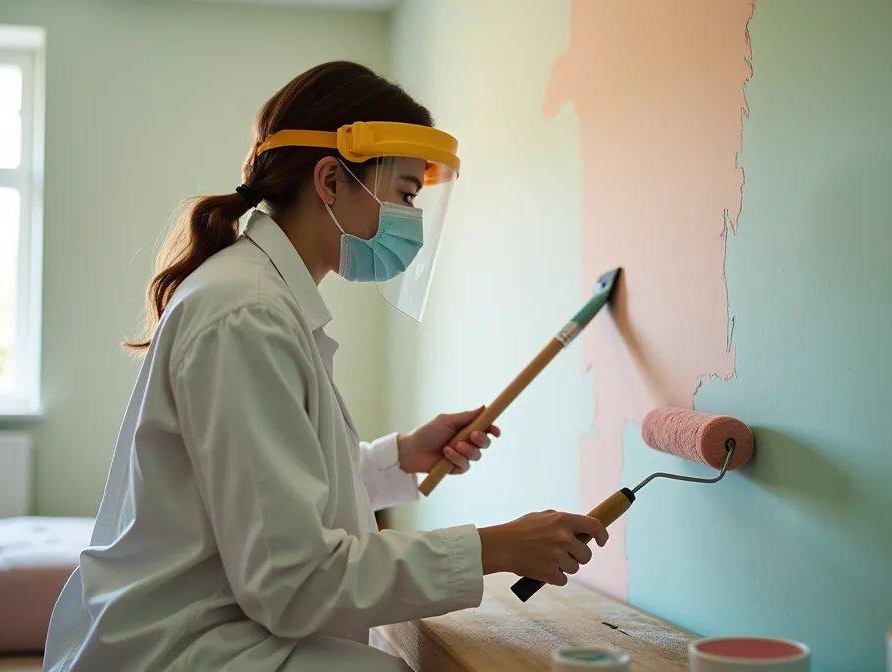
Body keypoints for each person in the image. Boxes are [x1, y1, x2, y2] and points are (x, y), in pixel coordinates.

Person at [42, 61, 609, 672]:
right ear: (331, 180)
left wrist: (400, 457)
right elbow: (294, 581)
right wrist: (492, 548)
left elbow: (272, 495)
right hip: (182, 648)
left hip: (209, 626)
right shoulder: (247, 313)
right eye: (406, 195)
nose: (411, 222)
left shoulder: (261, 296)